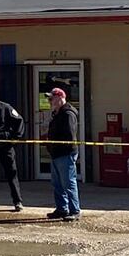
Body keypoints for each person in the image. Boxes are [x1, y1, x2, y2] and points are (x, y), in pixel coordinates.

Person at [46, 87, 81, 221]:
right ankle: (62, 208)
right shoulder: (57, 113)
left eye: (52, 98)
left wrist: (58, 146)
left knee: (68, 183)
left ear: (60, 98)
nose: (50, 101)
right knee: (57, 183)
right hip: (56, 153)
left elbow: (69, 135)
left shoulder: (68, 114)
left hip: (65, 153)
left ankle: (75, 210)